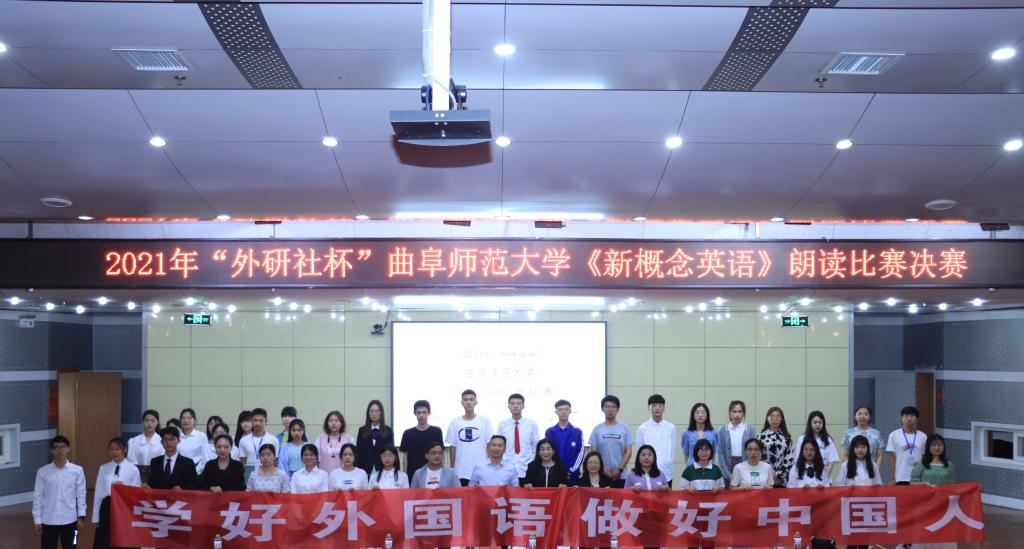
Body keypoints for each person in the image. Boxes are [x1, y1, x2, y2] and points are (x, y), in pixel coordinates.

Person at [32, 435, 86, 549]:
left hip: (70, 519)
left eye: (62, 447)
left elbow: (81, 495)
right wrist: (37, 520)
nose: (59, 450)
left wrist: (81, 517)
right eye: (56, 447)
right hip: (48, 520)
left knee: (72, 546)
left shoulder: (77, 470)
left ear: (68, 449)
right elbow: (38, 496)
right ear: (52, 451)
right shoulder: (42, 472)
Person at [92, 437, 141, 549]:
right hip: (107, 507)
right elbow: (98, 493)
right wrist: (95, 517)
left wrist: (123, 489)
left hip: (125, 508)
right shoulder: (103, 468)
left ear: (125, 449)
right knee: (105, 540)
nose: (114, 452)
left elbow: (136, 494)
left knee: (122, 540)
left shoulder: (133, 469)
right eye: (111, 449)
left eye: (117, 449)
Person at [911, 434, 957, 549]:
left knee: (943, 530)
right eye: (934, 445)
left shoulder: (950, 465)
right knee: (925, 530)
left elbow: (953, 486)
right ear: (928, 447)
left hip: (943, 504)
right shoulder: (921, 464)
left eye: (940, 445)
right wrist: (925, 485)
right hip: (925, 504)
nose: (937, 448)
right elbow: (912, 484)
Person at [446, 389, 494, 486]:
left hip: (480, 470)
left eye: (471, 399)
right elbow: (453, 447)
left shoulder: (484, 420)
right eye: (466, 400)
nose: (468, 402)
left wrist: (490, 467)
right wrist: (452, 469)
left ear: (476, 402)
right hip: (460, 471)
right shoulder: (455, 422)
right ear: (462, 402)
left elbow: (490, 445)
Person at [587, 395, 633, 487]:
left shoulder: (624, 428)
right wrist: (603, 469)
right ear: (602, 409)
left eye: (613, 407)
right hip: (602, 475)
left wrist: (619, 469)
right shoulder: (597, 429)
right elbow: (593, 453)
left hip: (621, 475)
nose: (610, 409)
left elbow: (628, 451)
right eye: (607, 407)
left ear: (618, 409)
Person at [497, 393, 540, 484]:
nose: (515, 406)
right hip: (506, 469)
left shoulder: (531, 424)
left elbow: (535, 447)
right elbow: (499, 447)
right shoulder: (502, 425)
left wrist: (532, 464)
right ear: (508, 406)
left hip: (527, 469)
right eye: (512, 403)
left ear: (523, 406)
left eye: (518, 403)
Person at [635, 394, 677, 487]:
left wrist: (668, 462)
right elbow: (640, 451)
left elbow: (672, 451)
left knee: (666, 495)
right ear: (649, 408)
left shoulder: (671, 427)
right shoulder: (642, 428)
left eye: (660, 405)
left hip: (666, 471)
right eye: (654, 405)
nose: (657, 408)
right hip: (647, 471)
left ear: (664, 408)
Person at [399, 400, 444, 482]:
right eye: (419, 412)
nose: (421, 415)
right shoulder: (407, 433)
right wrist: (405, 475)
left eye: (424, 412)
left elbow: (441, 453)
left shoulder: (436, 431)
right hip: (413, 474)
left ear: (428, 413)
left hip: (433, 474)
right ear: (415, 413)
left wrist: (442, 472)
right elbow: (405, 456)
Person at [545, 399, 584, 484]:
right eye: (560, 409)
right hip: (554, 474)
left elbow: (580, 453)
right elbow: (546, 454)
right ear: (556, 412)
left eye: (566, 409)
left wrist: (571, 471)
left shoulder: (577, 432)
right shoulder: (550, 432)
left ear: (570, 411)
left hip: (572, 476)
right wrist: (556, 470)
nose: (563, 412)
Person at [717, 400, 756, 484]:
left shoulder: (750, 429)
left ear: (743, 413)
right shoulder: (722, 430)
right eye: (734, 411)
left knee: (745, 490)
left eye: (739, 411)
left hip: (745, 463)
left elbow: (754, 450)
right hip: (729, 465)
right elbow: (720, 453)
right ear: (730, 413)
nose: (737, 414)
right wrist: (727, 473)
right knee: (729, 490)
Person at [887, 405, 927, 485]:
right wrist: (892, 478)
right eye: (906, 416)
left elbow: (925, 458)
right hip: (900, 476)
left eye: (912, 417)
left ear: (917, 419)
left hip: (918, 477)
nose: (909, 419)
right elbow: (891, 458)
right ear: (901, 418)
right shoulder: (894, 435)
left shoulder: (923, 436)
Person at [794, 411, 840, 478]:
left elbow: (831, 461)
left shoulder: (828, 439)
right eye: (815, 422)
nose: (817, 425)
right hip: (805, 476)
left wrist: (825, 478)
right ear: (810, 423)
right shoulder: (802, 439)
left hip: (824, 475)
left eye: (820, 422)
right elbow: (798, 460)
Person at [356, 399, 394, 475]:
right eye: (371, 411)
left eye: (377, 411)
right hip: (365, 469)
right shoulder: (362, 430)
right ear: (368, 413)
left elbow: (391, 452)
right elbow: (358, 451)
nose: (374, 414)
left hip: (382, 469)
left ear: (381, 413)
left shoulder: (388, 431)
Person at [759, 406, 794, 488]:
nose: (775, 419)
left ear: (782, 419)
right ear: (767, 419)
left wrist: (779, 475)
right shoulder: (760, 437)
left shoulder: (787, 437)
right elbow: (758, 457)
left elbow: (790, 458)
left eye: (778, 417)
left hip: (782, 479)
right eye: (772, 417)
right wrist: (771, 474)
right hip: (765, 477)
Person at [238, 408, 278, 479]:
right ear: (251, 421)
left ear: (266, 421)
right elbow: (242, 462)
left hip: (268, 472)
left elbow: (275, 461)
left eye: (261, 421)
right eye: (255, 420)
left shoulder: (273, 439)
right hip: (249, 472)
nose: (258, 423)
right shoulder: (243, 440)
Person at [841, 405, 884, 469]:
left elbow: (879, 455)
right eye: (859, 414)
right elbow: (845, 454)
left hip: (871, 468)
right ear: (855, 416)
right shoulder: (848, 433)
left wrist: (876, 469)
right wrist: (849, 468)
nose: (862, 417)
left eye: (866, 414)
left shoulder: (877, 434)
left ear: (870, 417)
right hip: (853, 469)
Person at [127, 409, 162, 483]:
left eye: (152, 421)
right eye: (146, 420)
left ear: (157, 423)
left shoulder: (162, 441)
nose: (149, 423)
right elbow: (131, 462)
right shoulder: (134, 441)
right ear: (143, 422)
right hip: (137, 477)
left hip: (157, 477)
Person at [177, 408, 207, 473]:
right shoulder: (176, 437)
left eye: (189, 418)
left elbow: (205, 457)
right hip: (179, 471)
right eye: (183, 418)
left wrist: (195, 471)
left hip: (197, 470)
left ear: (194, 420)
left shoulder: (202, 436)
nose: (186, 421)